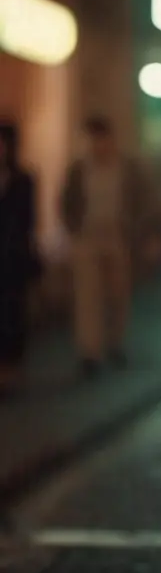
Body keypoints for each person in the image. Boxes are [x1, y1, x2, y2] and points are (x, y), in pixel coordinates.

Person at [60, 116, 157, 378]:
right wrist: (73, 229)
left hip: (118, 235)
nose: (98, 145)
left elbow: (143, 200)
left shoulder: (127, 168)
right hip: (87, 235)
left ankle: (115, 342)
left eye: (102, 139)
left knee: (118, 294)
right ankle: (90, 352)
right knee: (87, 296)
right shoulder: (80, 169)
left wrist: (138, 231)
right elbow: (67, 200)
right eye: (93, 139)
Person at [0, 122, 41, 396]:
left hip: (13, 257)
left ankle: (10, 371)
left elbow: (29, 220)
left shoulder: (24, 178)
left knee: (13, 313)